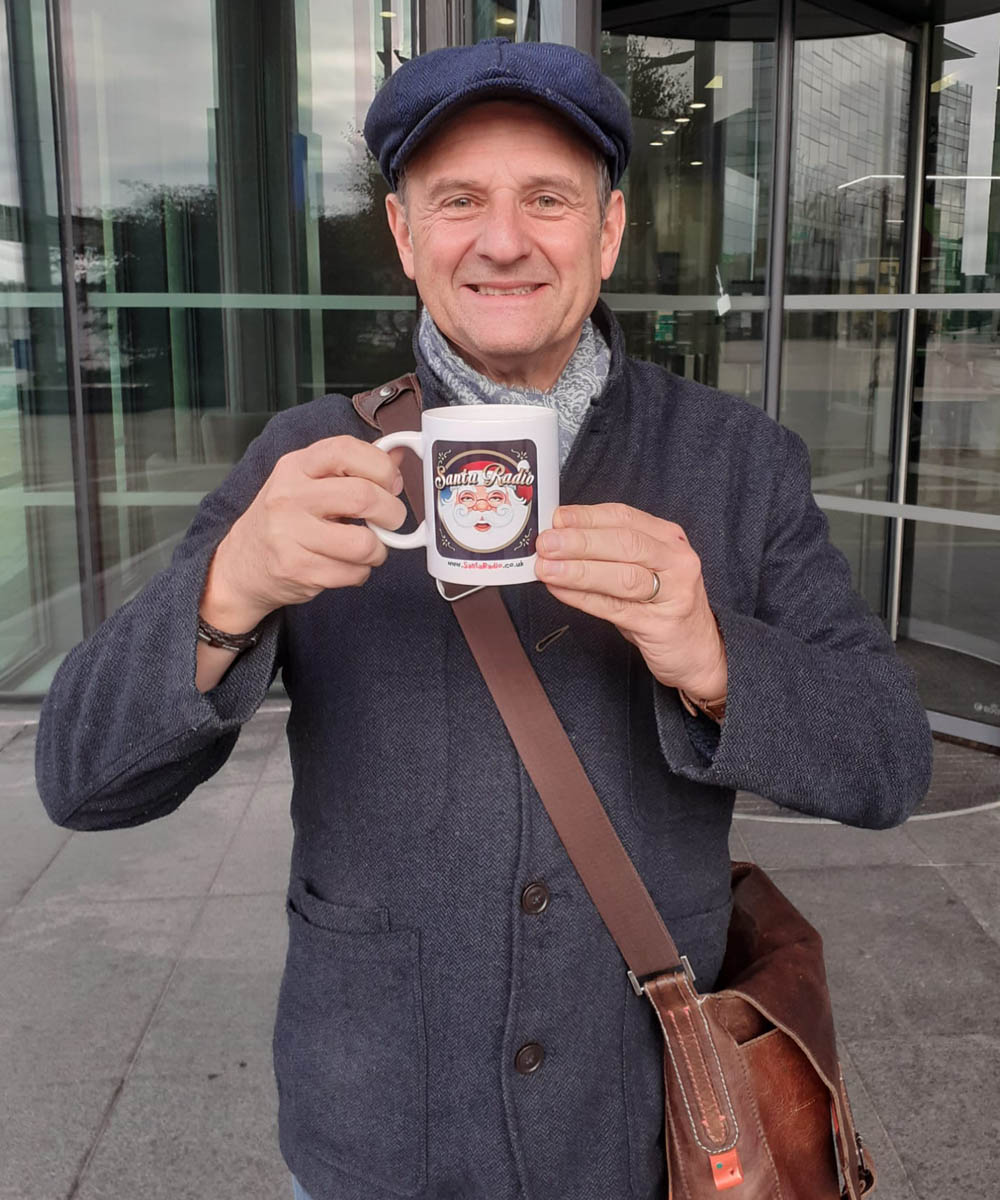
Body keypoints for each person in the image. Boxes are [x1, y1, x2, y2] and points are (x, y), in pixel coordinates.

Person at [36, 37, 933, 1200]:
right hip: (384, 1122)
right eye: (458, 200)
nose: (502, 240)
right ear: (407, 238)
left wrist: (716, 658)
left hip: (646, 1125)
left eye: (546, 200)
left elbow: (889, 764)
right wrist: (226, 596)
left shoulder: (736, 463)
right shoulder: (307, 459)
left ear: (605, 234)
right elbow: (80, 780)